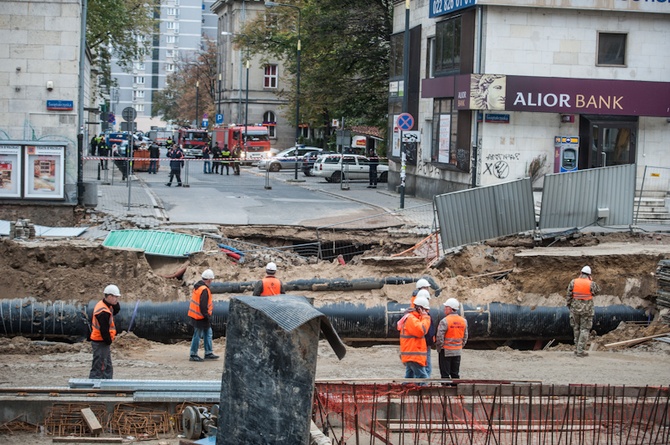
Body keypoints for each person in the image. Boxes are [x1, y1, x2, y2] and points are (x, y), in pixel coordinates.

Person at [566, 265, 601, 357]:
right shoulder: (591, 283)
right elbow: (597, 291)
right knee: (584, 329)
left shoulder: (573, 282)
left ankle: (577, 348)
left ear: (580, 273)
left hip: (575, 309)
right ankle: (580, 350)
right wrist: (591, 281)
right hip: (587, 310)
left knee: (576, 328)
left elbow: (569, 295)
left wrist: (569, 306)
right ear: (589, 275)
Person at [89, 284, 122, 379]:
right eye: (115, 297)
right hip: (100, 341)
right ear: (109, 296)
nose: (117, 299)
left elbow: (116, 310)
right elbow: (104, 330)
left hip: (103, 342)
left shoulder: (107, 305)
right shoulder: (103, 311)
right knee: (100, 366)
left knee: (107, 366)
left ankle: (107, 384)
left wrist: (115, 304)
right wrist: (108, 341)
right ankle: (95, 386)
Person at [187, 269, 219, 362]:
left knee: (208, 333)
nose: (211, 282)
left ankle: (208, 352)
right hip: (201, 317)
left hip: (197, 315)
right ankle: (193, 354)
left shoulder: (198, 287)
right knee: (197, 335)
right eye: (211, 280)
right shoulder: (204, 290)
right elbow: (203, 305)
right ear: (209, 280)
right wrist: (207, 316)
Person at [397, 295, 432, 379]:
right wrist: (426, 317)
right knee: (423, 377)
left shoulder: (414, 318)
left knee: (409, 377)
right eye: (426, 310)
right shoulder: (411, 319)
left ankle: (407, 390)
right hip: (413, 355)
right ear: (420, 309)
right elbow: (421, 331)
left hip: (412, 355)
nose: (427, 312)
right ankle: (425, 391)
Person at [435, 298, 468, 381]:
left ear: (450, 308)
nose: (444, 309)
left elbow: (439, 337)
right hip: (457, 351)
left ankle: (446, 391)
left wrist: (439, 348)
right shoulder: (463, 321)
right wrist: (460, 346)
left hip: (446, 351)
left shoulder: (445, 321)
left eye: (446, 307)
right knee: (455, 374)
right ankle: (456, 392)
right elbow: (465, 336)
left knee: (445, 374)